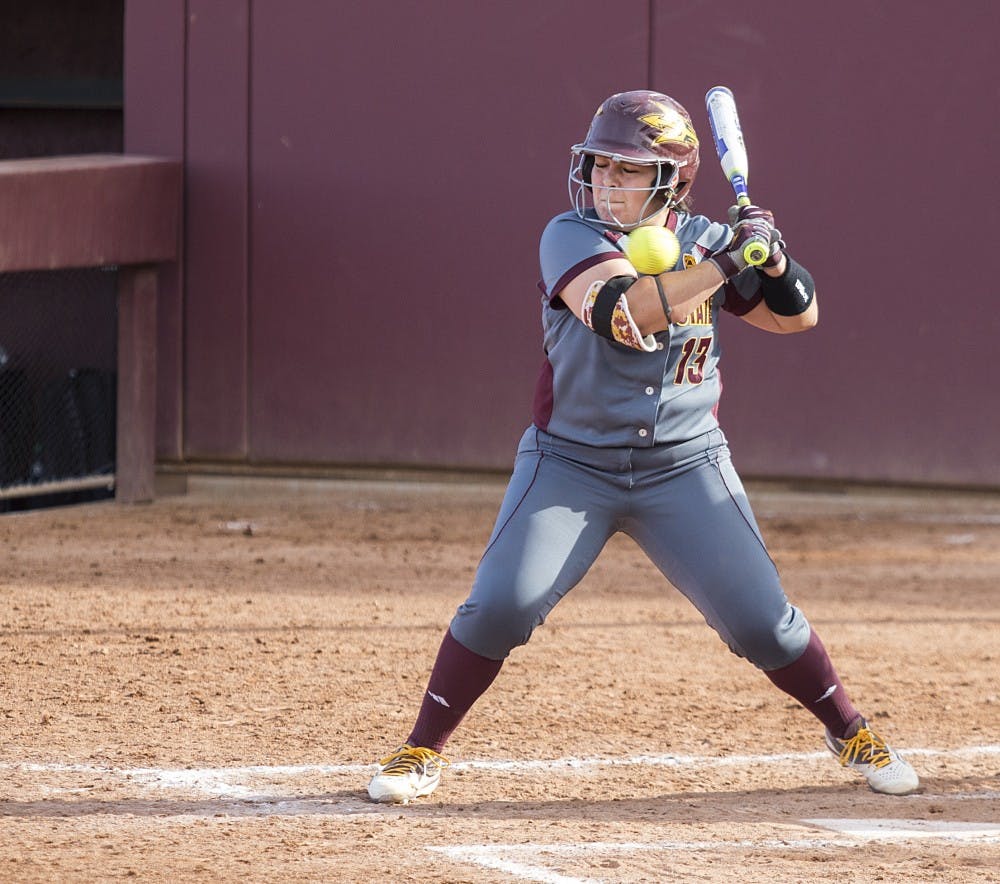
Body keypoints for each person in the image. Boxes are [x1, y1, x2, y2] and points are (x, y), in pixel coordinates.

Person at [367, 90, 919, 804]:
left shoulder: (704, 241)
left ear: (673, 181)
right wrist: (725, 264)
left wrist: (775, 263)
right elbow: (622, 315)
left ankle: (850, 729)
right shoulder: (569, 234)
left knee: (764, 625)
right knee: (501, 604)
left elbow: (800, 319)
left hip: (684, 465)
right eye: (599, 166)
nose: (606, 182)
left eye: (627, 171)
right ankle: (420, 750)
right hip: (571, 462)